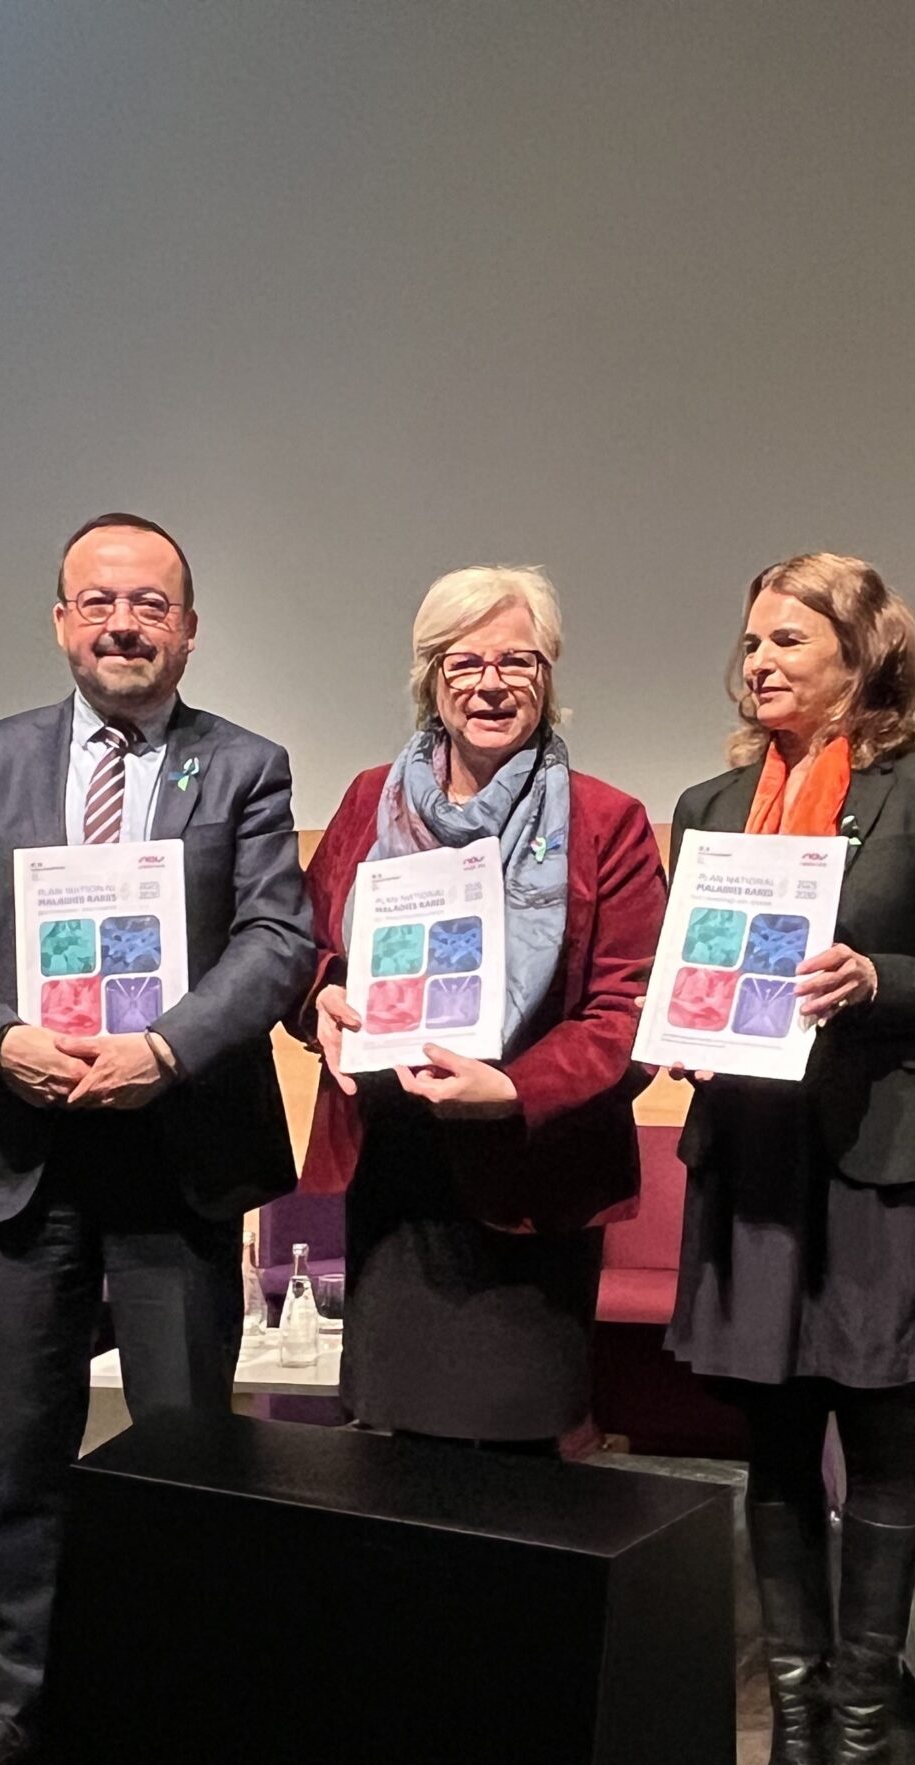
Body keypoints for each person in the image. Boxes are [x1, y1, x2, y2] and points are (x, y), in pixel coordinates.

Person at [0, 511, 313, 1765]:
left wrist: (165, 1052)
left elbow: (277, 939)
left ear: (189, 629)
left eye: (150, 604)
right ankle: (22, 1707)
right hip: (29, 1160)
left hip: (177, 1161)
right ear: (62, 621)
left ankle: (186, 1712)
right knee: (21, 1459)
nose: (124, 624)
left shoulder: (242, 766)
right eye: (99, 602)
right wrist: (1, 1038)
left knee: (186, 1460)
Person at [666, 553, 915, 1765]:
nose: (758, 661)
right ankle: (795, 1738)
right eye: (751, 640)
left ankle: (862, 1740)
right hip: (751, 1157)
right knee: (771, 1451)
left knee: (879, 1442)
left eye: (788, 640)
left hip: (879, 1155)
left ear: (862, 657)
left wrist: (878, 979)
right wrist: (687, 1031)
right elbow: (692, 975)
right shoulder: (708, 808)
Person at [301, 566, 666, 1451]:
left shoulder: (605, 820)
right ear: (431, 677)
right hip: (395, 1174)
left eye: (517, 661)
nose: (491, 684)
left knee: (519, 1458)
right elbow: (303, 947)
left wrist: (512, 1090)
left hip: (535, 1178)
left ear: (548, 675)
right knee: (390, 1450)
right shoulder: (368, 800)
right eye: (464, 662)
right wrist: (320, 997)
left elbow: (631, 1010)